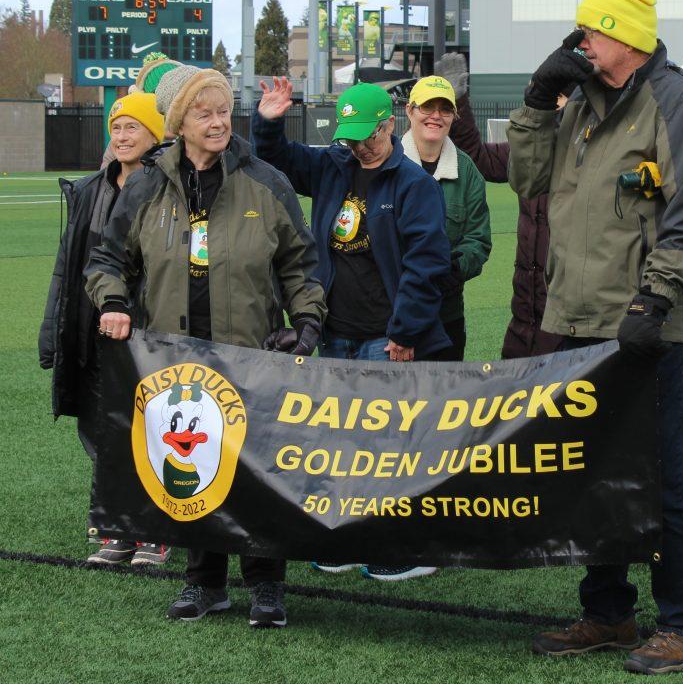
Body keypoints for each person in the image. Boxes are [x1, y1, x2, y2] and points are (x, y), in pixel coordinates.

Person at [509, 0, 683, 674]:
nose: (581, 44)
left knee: (663, 478)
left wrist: (653, 300)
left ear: (626, 36)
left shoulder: (678, 102)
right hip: (579, 317)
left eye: (591, 32)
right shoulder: (581, 103)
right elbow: (527, 180)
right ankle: (608, 613)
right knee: (594, 474)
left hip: (649, 324)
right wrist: (539, 103)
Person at [85, 66, 327, 628]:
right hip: (175, 362)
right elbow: (107, 261)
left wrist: (307, 321)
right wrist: (114, 303)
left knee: (258, 473)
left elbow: (301, 263)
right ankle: (204, 584)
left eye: (223, 111)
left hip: (252, 356)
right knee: (193, 465)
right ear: (179, 124)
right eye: (204, 113)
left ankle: (267, 585)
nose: (217, 122)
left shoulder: (266, 182)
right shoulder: (146, 186)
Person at [253, 78, 453, 582]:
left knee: (388, 447)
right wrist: (269, 121)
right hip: (335, 331)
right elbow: (279, 157)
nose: (358, 145)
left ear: (389, 126)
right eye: (349, 136)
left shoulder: (414, 186)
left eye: (367, 135)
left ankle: (401, 545)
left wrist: (405, 333)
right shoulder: (333, 166)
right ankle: (345, 537)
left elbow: (426, 266)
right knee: (338, 441)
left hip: (385, 337)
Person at [39, 92, 173, 567]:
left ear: (156, 133)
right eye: (116, 128)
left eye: (132, 127)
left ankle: (156, 529)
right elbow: (68, 267)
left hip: (148, 333)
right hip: (92, 331)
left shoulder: (168, 187)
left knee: (151, 429)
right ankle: (117, 527)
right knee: (100, 429)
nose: (121, 136)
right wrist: (52, 327)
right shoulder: (91, 189)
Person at [434, 52, 562, 359]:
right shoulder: (529, 148)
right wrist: (459, 100)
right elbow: (479, 158)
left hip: (568, 316)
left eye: (551, 95)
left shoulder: (590, 151)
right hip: (525, 314)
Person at [400, 76, 492, 361]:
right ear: (410, 110)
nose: (436, 116)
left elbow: (478, 239)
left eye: (445, 109)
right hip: (390, 316)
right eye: (428, 107)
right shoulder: (387, 164)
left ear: (454, 116)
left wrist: (452, 271)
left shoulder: (467, 172)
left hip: (447, 315)